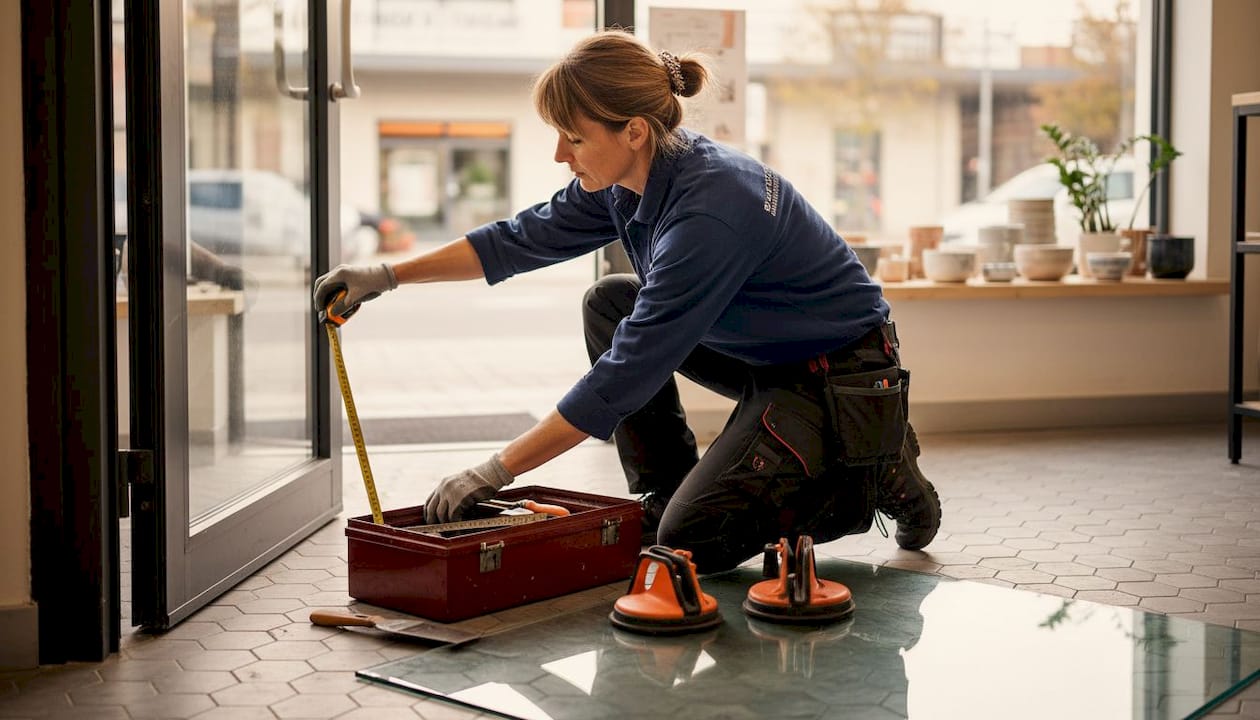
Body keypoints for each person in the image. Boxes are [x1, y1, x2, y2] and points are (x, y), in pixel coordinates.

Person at [313, 30, 940, 573]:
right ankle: (665, 493)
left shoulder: (712, 213)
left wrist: (494, 472)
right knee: (610, 301)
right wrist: (386, 274)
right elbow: (516, 240)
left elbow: (622, 378)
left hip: (834, 374)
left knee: (692, 540)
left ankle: (873, 476)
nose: (561, 154)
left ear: (633, 131)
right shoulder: (630, 177)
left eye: (572, 137)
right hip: (762, 352)